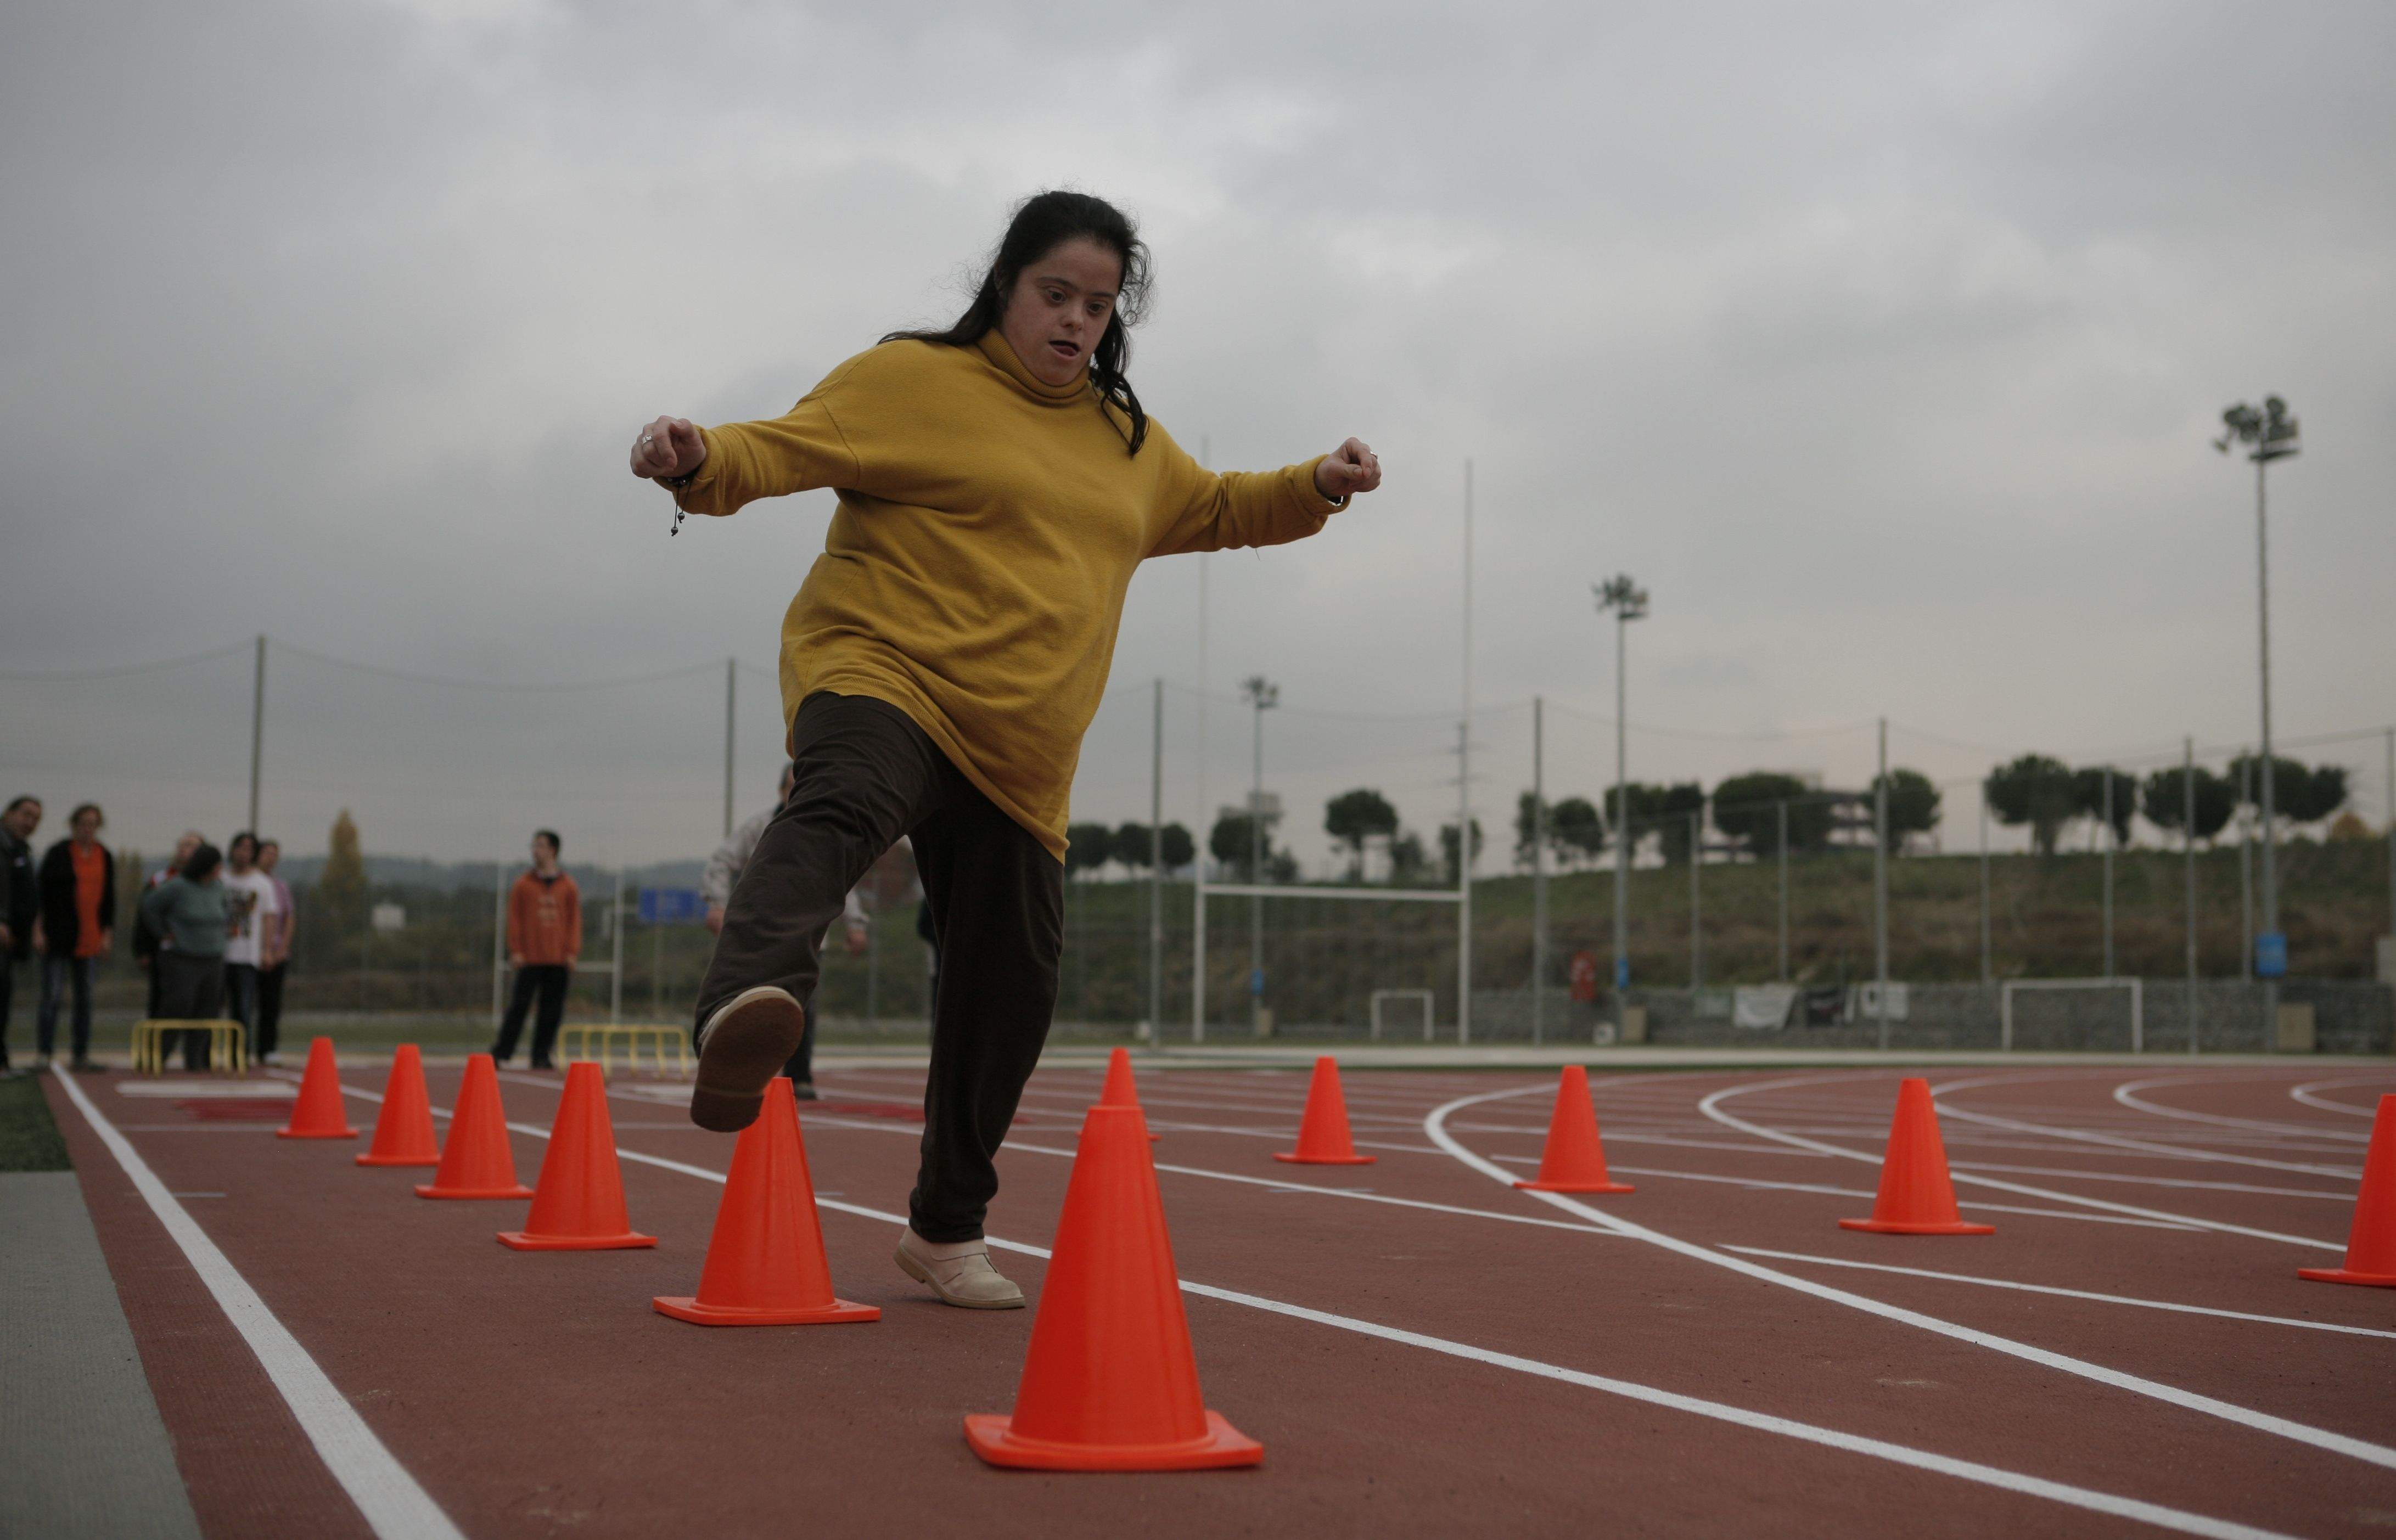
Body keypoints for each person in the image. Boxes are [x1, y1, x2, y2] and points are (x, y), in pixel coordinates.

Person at [630, 190, 1379, 1308]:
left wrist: (1317, 484)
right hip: (884, 670)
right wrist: (695, 458)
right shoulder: (912, 381)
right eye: (1055, 294)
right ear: (1005, 286)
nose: (1075, 320)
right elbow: (777, 448)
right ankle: (746, 1006)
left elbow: (1222, 506)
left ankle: (945, 1230)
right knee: (843, 799)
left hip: (1021, 750)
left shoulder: (1125, 443)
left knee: (1010, 989)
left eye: (1098, 305)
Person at [701, 760, 867, 1099]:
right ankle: (745, 1076)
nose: (800, 792)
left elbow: (843, 880)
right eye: (793, 786)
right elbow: (721, 861)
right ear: (781, 791)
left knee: (801, 1007)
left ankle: (799, 1077)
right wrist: (717, 903)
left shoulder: (827, 831)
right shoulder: (761, 826)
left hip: (810, 934)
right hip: (761, 934)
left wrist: (855, 924)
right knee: (751, 1006)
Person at [35, 803, 115, 1072]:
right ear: (74, 825)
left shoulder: (104, 855)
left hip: (90, 937)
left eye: (93, 824)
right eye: (83, 823)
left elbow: (109, 899)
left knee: (85, 999)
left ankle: (81, 1054)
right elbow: (41, 895)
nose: (87, 828)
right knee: (52, 995)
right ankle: (44, 1053)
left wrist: (107, 934)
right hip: (59, 936)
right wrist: (39, 929)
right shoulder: (59, 853)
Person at [492, 829, 579, 1069]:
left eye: (540, 846)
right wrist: (516, 949)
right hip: (530, 958)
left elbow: (574, 921)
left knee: (551, 1011)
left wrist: (572, 952)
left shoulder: (568, 886)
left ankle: (541, 1054)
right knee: (519, 1007)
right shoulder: (523, 884)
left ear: (552, 850)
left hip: (558, 959)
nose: (535, 851)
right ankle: (502, 1052)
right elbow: (515, 919)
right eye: (534, 846)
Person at [142, 842, 226, 1069]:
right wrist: (163, 933)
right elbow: (149, 907)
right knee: (179, 1005)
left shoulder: (218, 887)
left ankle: (195, 1059)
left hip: (213, 957)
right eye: (217, 866)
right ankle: (158, 1056)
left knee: (208, 1009)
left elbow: (223, 912)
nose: (220, 870)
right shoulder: (178, 886)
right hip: (182, 957)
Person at [218, 833, 282, 1065]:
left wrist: (267, 950)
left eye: (249, 849)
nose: (244, 853)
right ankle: (205, 1054)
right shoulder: (221, 879)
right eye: (240, 847)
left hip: (247, 956)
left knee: (243, 1009)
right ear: (232, 849)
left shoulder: (262, 883)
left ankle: (240, 1055)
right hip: (219, 954)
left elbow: (270, 918)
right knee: (212, 1008)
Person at [135, 830, 204, 1020]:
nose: (184, 850)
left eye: (191, 846)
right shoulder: (160, 880)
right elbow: (144, 915)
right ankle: (157, 1038)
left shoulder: (208, 883)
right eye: (182, 845)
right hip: (164, 951)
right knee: (161, 1000)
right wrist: (142, 950)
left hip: (198, 953)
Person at [1, 797, 41, 1076]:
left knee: (4, 998)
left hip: (11, 939)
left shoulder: (20, 848)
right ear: (9, 813)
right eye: (26, 814)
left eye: (36, 818)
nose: (30, 822)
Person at [255, 839, 295, 1066]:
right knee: (244, 1003)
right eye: (266, 853)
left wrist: (280, 949)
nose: (271, 858)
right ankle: (240, 1048)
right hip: (250, 953)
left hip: (276, 953)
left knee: (271, 1004)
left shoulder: (280, 886)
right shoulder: (250, 883)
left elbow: (289, 917)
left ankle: (268, 1048)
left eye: (274, 854)